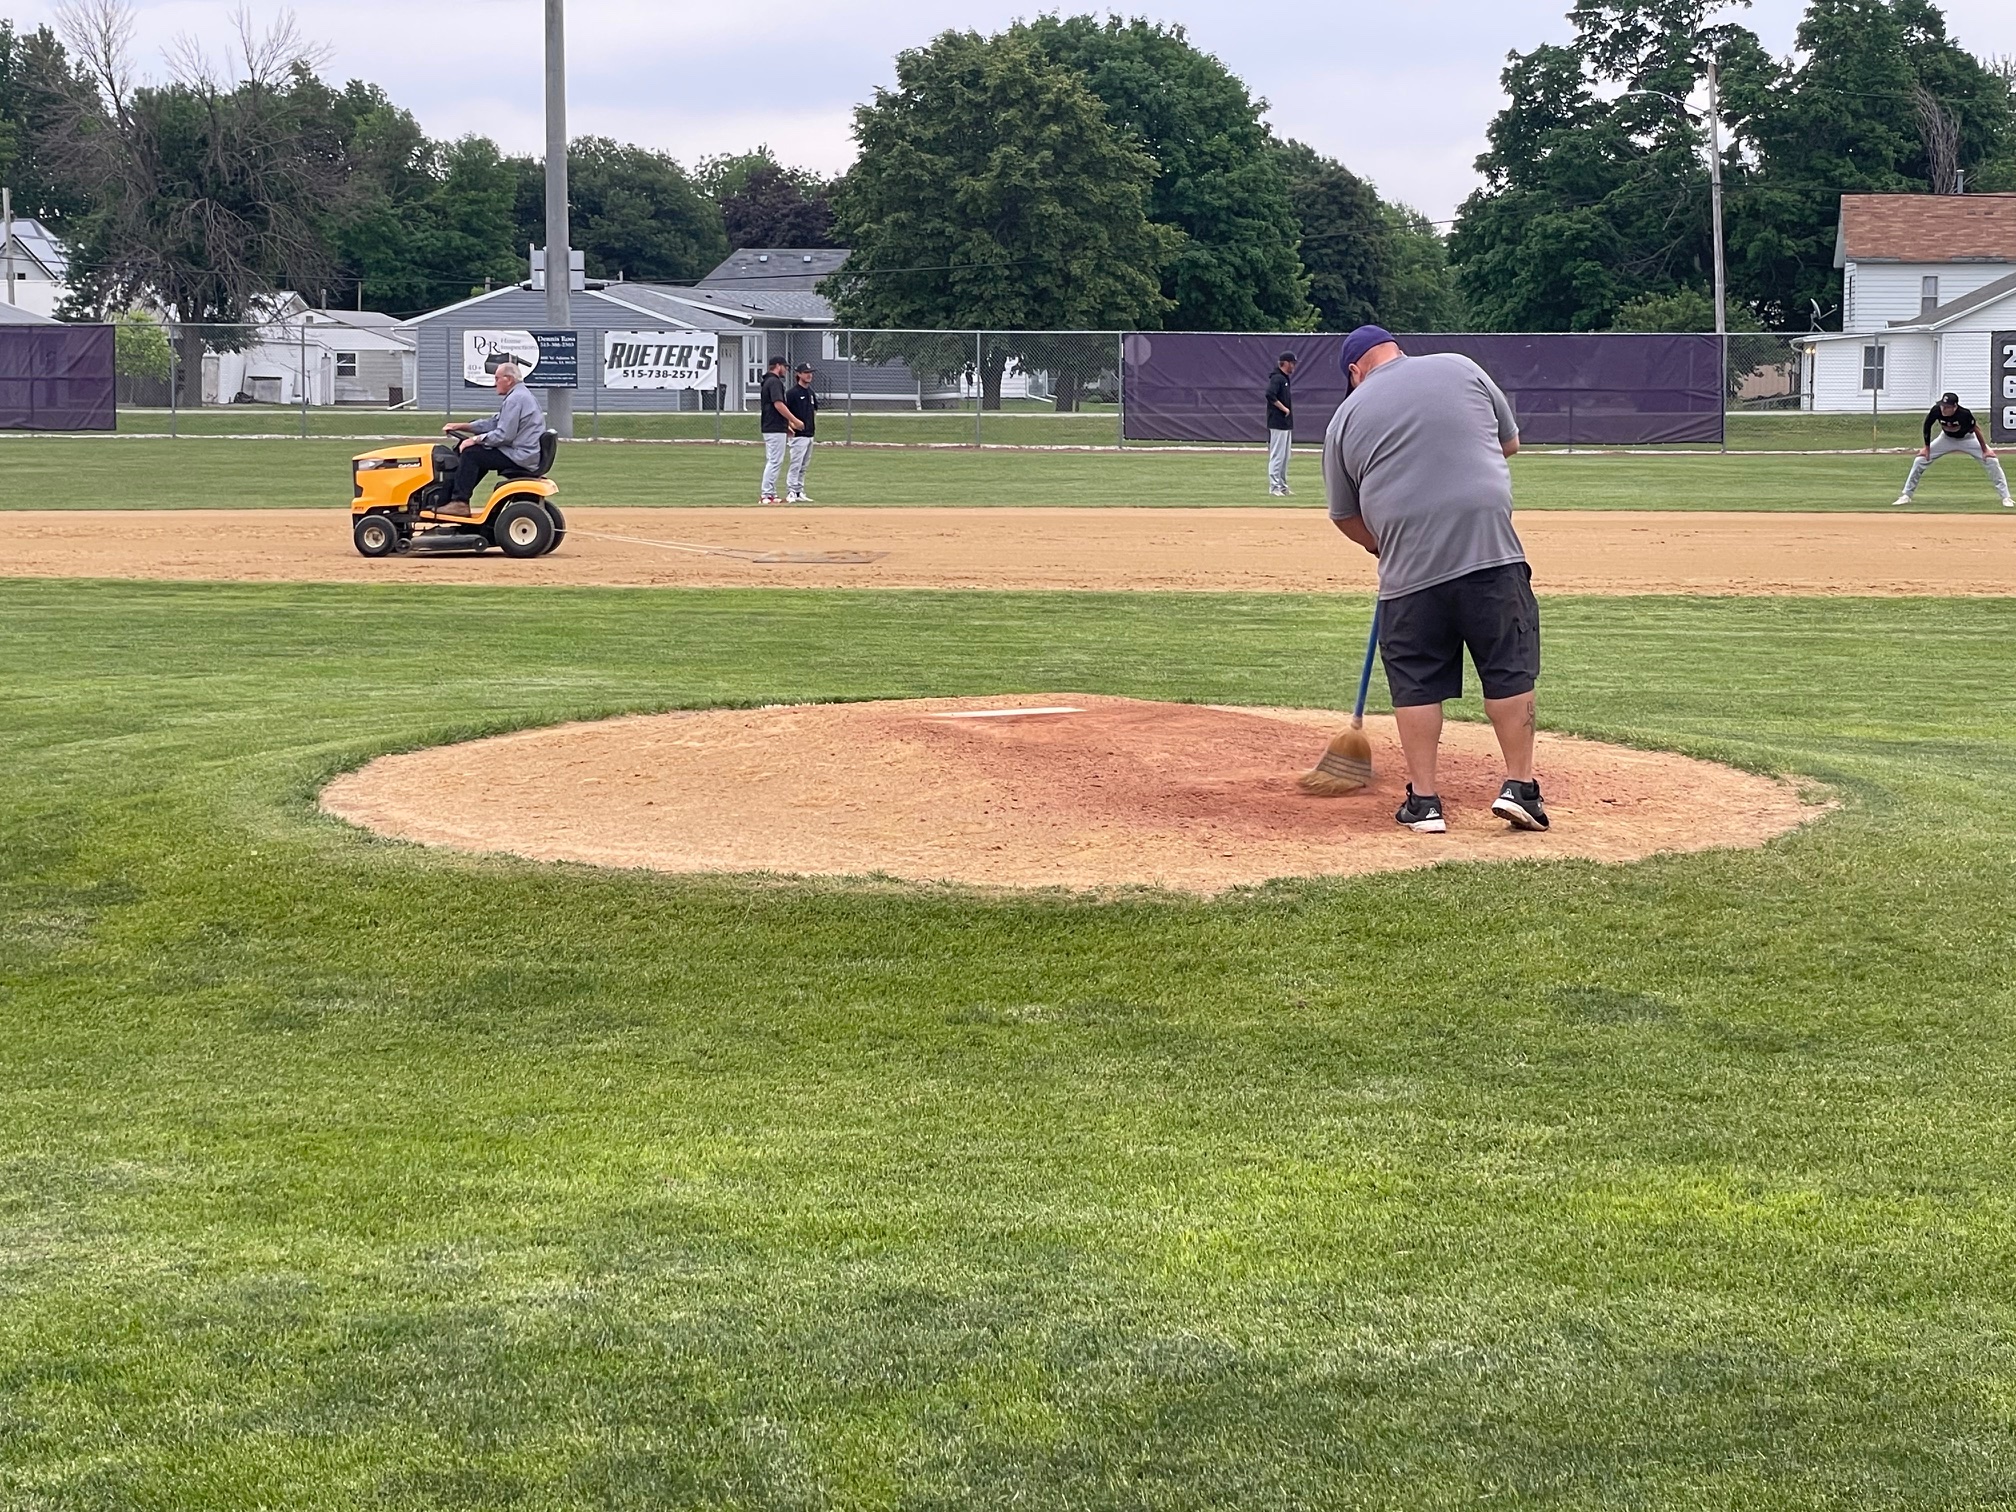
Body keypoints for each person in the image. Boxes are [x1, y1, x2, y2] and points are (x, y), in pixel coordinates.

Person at [1322, 325, 1547, 834]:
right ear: (1396, 350)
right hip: (1490, 553)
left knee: (1417, 678)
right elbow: (1508, 444)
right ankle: (1520, 789)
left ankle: (1424, 802)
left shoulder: (1344, 418)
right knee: (1508, 667)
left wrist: (1382, 543)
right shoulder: (1461, 366)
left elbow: (1344, 514)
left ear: (1355, 372)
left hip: (1408, 573)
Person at [440, 361, 544, 517]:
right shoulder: (519, 396)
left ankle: (459, 502)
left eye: (497, 378)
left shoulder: (516, 399)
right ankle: (455, 500)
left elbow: (503, 435)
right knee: (477, 452)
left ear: (508, 379)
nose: (495, 383)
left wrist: (474, 440)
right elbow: (494, 423)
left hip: (520, 455)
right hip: (522, 452)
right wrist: (461, 427)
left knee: (471, 454)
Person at [1893, 392, 2011, 507]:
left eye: (1947, 407)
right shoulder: (1936, 410)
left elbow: (1976, 429)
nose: (1943, 409)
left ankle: (2006, 497)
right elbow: (1927, 425)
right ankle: (1906, 495)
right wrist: (1927, 448)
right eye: (1942, 406)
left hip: (1968, 439)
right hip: (1946, 439)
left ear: (1955, 407)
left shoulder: (1964, 414)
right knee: (1919, 460)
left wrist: (1985, 449)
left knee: (1992, 461)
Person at [758, 356, 800, 503]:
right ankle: (766, 493)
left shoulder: (768, 381)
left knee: (773, 459)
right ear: (777, 366)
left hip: (773, 426)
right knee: (775, 460)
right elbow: (778, 404)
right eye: (784, 366)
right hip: (773, 427)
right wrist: (793, 420)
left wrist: (785, 426)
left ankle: (771, 493)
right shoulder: (774, 382)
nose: (786, 369)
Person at [783, 363, 819, 502]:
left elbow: (814, 410)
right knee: (795, 464)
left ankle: (799, 491)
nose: (809, 375)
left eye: (810, 372)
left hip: (809, 434)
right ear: (798, 374)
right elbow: (784, 412)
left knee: (803, 466)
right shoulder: (792, 393)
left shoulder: (810, 393)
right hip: (798, 435)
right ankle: (791, 491)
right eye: (806, 372)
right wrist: (790, 425)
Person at [1265, 352, 1296, 496]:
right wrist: (1283, 408)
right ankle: (1274, 487)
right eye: (1292, 363)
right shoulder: (1277, 378)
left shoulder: (1285, 379)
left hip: (1285, 423)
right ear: (1286, 363)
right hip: (1277, 421)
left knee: (1285, 456)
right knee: (1277, 455)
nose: (1294, 366)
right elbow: (1269, 394)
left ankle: (1282, 485)